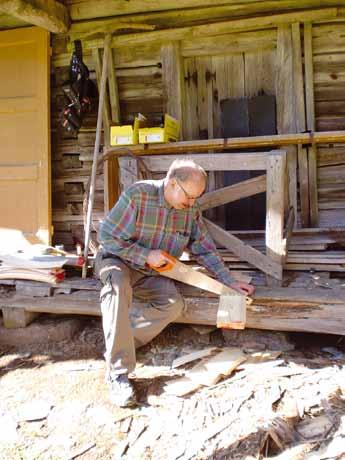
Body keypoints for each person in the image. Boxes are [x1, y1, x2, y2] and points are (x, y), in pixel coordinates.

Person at [96, 159, 254, 407]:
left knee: (172, 304)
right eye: (189, 197)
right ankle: (118, 373)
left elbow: (205, 249)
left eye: (196, 199)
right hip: (118, 261)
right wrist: (145, 255)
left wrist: (229, 282)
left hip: (152, 273)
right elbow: (106, 236)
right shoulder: (138, 195)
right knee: (116, 289)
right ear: (172, 183)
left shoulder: (189, 210)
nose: (192, 204)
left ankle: (119, 344)